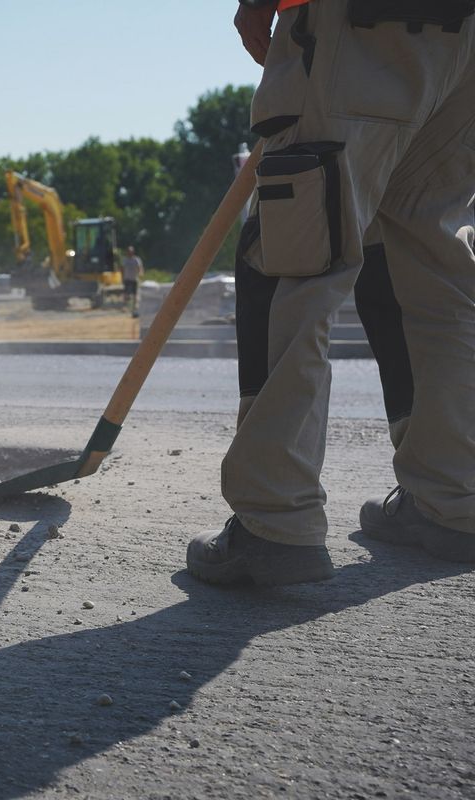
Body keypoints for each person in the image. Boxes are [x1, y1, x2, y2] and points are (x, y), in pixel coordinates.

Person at [187, 0, 475, 586]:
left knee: (293, 253)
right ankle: (454, 497)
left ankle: (275, 519)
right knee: (427, 255)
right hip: (465, 37)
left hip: (364, 24)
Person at [120, 246, 144, 316]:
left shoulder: (136, 259)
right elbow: (122, 269)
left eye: (131, 251)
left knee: (135, 294)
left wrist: (140, 273)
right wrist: (122, 278)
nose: (129, 253)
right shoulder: (125, 260)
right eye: (128, 251)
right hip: (127, 279)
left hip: (134, 279)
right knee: (126, 294)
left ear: (133, 252)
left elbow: (140, 268)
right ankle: (125, 307)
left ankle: (135, 308)